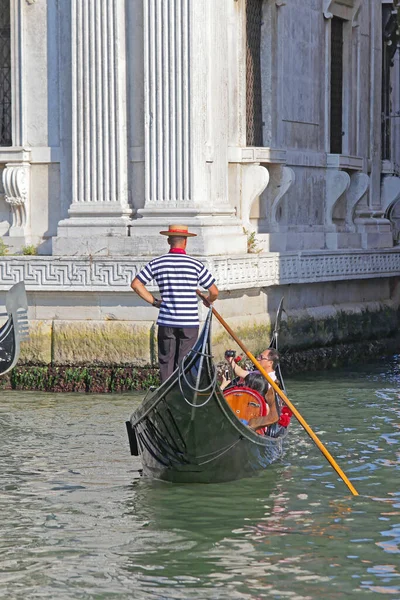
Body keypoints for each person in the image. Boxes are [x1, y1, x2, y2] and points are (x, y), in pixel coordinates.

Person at [131, 224, 219, 382]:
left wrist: (155, 302)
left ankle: (166, 393)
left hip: (166, 321)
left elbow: (136, 284)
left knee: (166, 361)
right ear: (185, 242)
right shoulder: (195, 265)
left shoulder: (157, 263)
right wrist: (208, 300)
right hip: (189, 322)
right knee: (184, 362)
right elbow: (214, 291)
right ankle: (180, 392)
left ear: (168, 241)